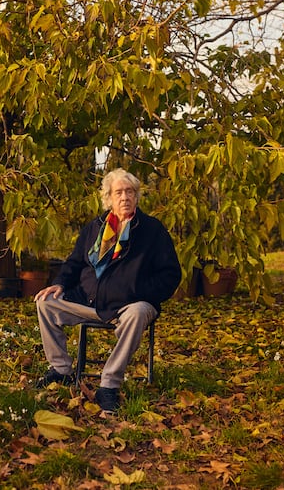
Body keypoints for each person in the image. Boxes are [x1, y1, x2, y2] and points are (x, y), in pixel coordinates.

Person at [34, 168, 182, 413]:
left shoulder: (152, 230)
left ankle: (109, 385)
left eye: (130, 192)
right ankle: (61, 371)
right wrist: (59, 283)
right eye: (119, 192)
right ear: (109, 198)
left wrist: (138, 291)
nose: (125, 197)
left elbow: (171, 275)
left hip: (128, 306)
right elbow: (74, 263)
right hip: (88, 300)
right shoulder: (96, 227)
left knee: (138, 312)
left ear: (136, 196)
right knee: (45, 302)